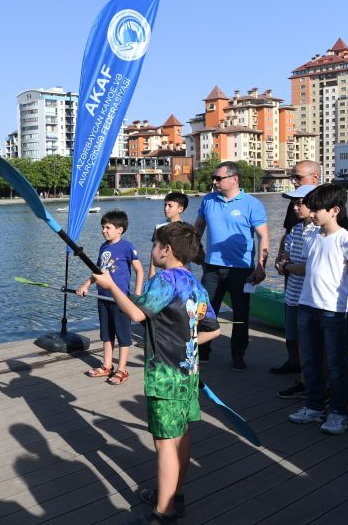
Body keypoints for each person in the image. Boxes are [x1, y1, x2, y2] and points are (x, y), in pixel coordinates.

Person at [91, 222, 220, 524]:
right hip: (188, 374)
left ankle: (164, 512)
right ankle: (172, 494)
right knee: (182, 434)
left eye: (154, 245)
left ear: (166, 250)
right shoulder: (195, 284)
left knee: (165, 444)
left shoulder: (165, 280)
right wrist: (186, 342)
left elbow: (136, 314)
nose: (151, 251)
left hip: (164, 376)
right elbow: (212, 330)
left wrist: (111, 286)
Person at [287, 184, 348, 435]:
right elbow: (310, 268)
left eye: (317, 208)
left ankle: (339, 413)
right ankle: (314, 406)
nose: (313, 213)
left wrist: (338, 298)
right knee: (310, 361)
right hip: (307, 306)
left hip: (333, 311)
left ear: (334, 210)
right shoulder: (312, 236)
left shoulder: (347, 240)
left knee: (337, 364)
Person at [193, 161, 269, 371]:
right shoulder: (208, 200)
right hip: (212, 268)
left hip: (241, 269)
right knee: (204, 312)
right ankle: (203, 352)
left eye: (219, 178)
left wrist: (261, 265)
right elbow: (198, 228)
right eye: (214, 178)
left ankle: (238, 355)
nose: (214, 181)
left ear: (234, 179)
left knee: (240, 314)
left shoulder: (252, 204)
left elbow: (263, 236)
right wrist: (195, 250)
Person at [77, 210, 144, 385]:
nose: (104, 231)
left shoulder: (127, 247)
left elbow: (139, 271)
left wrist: (136, 295)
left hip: (120, 300)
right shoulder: (103, 247)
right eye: (103, 227)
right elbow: (98, 273)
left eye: (107, 227)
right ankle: (107, 365)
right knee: (106, 335)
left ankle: (122, 369)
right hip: (103, 298)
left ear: (120, 229)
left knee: (123, 335)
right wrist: (85, 285)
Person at [270, 161, 320, 374]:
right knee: (294, 334)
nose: (295, 206)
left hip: (313, 295)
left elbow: (316, 266)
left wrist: (288, 265)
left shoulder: (322, 227)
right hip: (294, 288)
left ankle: (312, 383)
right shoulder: (298, 224)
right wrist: (282, 260)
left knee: (313, 342)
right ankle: (297, 368)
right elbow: (288, 236)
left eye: (297, 177)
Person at [149, 192, 189, 279]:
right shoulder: (159, 227)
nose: (166, 208)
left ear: (180, 209)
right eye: (165, 205)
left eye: (170, 206)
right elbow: (154, 250)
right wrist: (152, 270)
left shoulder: (186, 229)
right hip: (165, 274)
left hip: (183, 274)